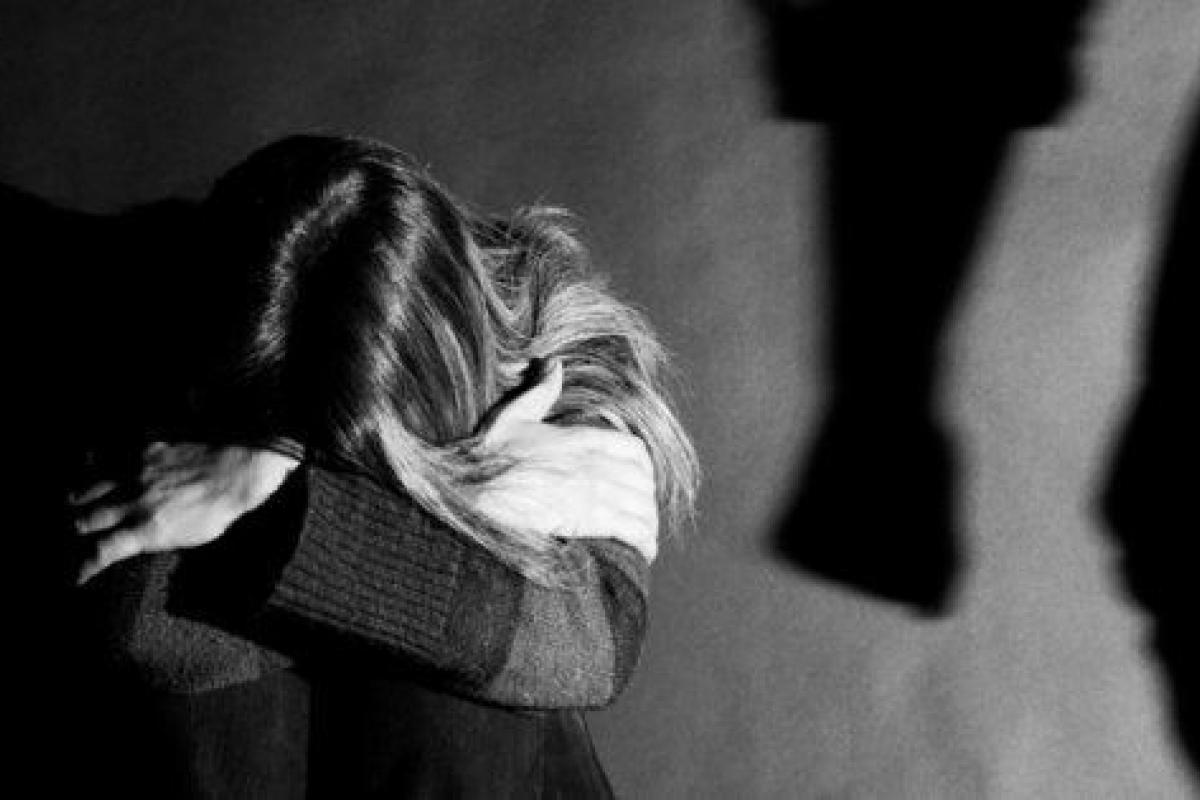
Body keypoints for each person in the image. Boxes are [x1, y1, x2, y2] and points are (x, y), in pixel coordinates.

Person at [44, 134, 697, 798]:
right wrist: (453, 516)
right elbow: (133, 622)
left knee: (459, 694)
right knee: (222, 691)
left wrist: (276, 502)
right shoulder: (141, 323)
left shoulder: (550, 353)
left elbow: (592, 645)